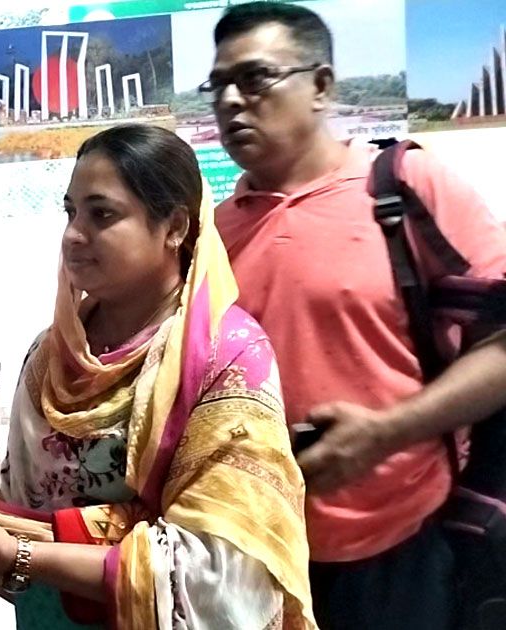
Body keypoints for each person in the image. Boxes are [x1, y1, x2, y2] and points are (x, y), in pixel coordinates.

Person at [0, 125, 314, 629]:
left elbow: (220, 570)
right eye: (70, 211)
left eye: (102, 214)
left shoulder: (228, 358)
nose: (74, 235)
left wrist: (22, 555)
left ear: (175, 227)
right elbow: (24, 513)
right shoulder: (51, 357)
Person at [206, 3, 506, 628]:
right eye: (219, 85)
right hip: (260, 555)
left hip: (403, 544)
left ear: (321, 86)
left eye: (255, 78)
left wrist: (387, 432)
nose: (231, 101)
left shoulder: (404, 186)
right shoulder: (216, 232)